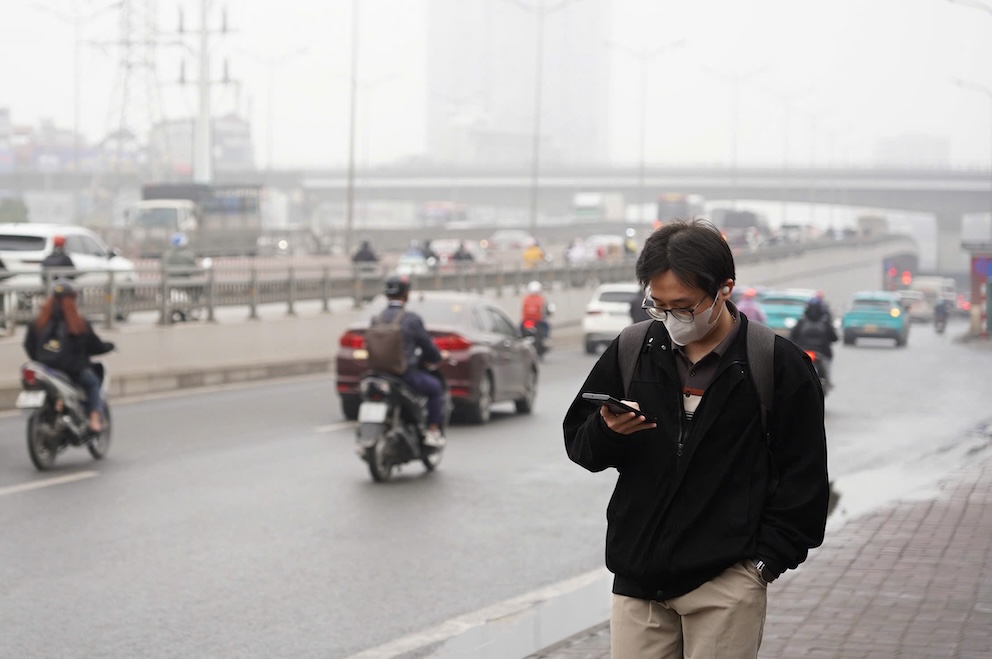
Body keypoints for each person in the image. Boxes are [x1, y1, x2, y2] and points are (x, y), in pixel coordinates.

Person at [563, 219, 828, 659]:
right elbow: (581, 447)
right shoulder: (632, 350)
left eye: (683, 307)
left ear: (725, 288)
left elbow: (804, 480)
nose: (671, 320)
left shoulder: (776, 365)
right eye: (658, 306)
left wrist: (761, 566)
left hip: (726, 584)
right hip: (638, 585)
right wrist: (607, 431)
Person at [23, 280, 115, 433]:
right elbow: (94, 345)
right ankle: (94, 419)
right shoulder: (78, 323)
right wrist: (109, 347)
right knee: (93, 383)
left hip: (44, 370)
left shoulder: (38, 322)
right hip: (72, 371)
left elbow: (28, 345)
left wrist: (40, 359)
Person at [377, 275, 445, 449]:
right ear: (406, 294)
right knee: (435, 388)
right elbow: (428, 347)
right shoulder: (411, 319)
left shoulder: (377, 318)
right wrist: (438, 357)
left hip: (378, 375)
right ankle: (432, 430)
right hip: (403, 376)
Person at [790, 297, 838, 383]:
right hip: (823, 353)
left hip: (803, 352)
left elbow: (792, 336)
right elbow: (834, 338)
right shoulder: (825, 323)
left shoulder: (801, 322)